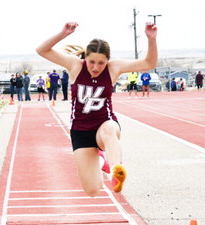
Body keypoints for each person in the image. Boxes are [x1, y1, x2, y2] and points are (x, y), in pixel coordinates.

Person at [36, 22, 157, 196]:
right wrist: (63, 34)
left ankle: (116, 170)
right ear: (86, 57)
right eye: (92, 62)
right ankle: (101, 161)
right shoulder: (76, 65)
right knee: (92, 190)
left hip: (104, 125)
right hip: (80, 131)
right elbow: (42, 50)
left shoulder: (114, 68)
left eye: (101, 63)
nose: (95, 67)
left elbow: (149, 62)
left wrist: (151, 39)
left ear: (107, 60)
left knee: (109, 129)